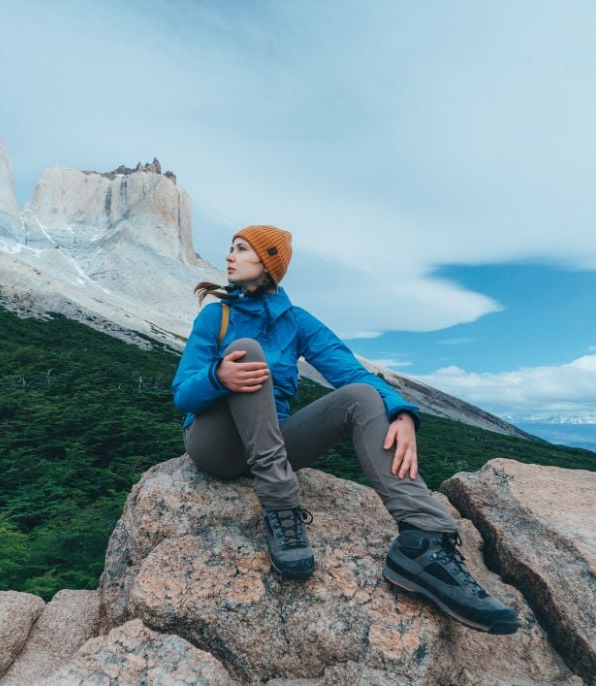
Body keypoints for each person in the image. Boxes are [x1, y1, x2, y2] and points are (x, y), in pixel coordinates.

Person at [171, 224, 519, 635]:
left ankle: (423, 541)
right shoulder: (217, 314)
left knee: (360, 396)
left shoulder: (296, 322)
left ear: (268, 264)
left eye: (242, 249)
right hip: (218, 447)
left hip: (273, 441)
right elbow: (182, 394)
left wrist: (403, 413)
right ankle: (281, 507)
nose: (229, 256)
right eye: (231, 248)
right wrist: (217, 376)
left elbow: (350, 371)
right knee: (247, 352)